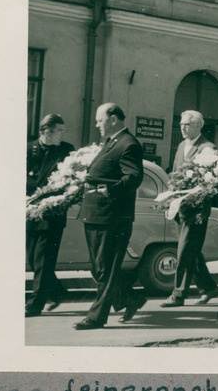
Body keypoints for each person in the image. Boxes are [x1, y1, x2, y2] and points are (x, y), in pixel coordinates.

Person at [73, 103, 146, 330]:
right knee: (99, 268)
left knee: (106, 268)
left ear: (113, 119)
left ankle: (96, 317)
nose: (97, 125)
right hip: (97, 215)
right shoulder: (111, 143)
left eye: (99, 120)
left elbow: (133, 176)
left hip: (113, 217)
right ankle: (129, 298)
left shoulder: (129, 144)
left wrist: (111, 190)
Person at [159, 111, 218, 308]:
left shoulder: (207, 148)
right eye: (181, 124)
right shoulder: (180, 146)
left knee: (185, 250)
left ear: (198, 126)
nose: (182, 127)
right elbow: (176, 173)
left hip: (196, 209)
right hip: (181, 206)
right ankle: (208, 287)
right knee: (191, 249)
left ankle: (178, 294)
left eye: (187, 124)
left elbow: (208, 182)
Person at [25, 114, 75, 317]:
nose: (63, 134)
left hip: (52, 213)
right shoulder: (29, 149)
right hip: (30, 211)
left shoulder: (66, 150)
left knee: (44, 260)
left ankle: (35, 304)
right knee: (32, 259)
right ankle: (57, 292)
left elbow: (71, 179)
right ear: (46, 131)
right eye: (59, 130)